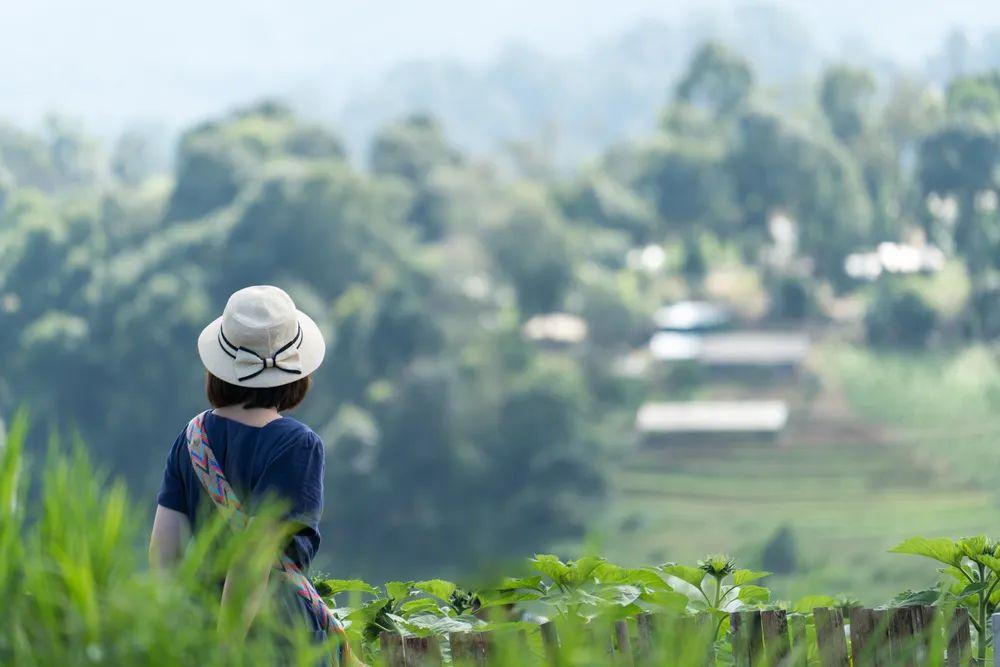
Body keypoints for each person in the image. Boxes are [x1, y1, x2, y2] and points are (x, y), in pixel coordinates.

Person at [148, 285, 361, 665]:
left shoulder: (192, 438)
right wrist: (226, 651)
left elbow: (164, 555)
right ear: (297, 374)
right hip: (278, 640)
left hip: (199, 631)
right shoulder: (297, 445)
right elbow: (251, 561)